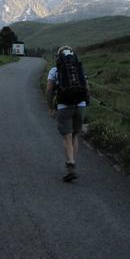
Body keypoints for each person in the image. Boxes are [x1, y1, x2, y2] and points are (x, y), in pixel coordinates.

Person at [46, 46, 88, 182]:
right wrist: (85, 104)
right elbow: (86, 87)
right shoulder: (79, 68)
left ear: (59, 57)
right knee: (75, 135)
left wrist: (51, 107)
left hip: (64, 106)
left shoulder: (54, 70)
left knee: (67, 137)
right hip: (80, 105)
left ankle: (70, 164)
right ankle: (72, 162)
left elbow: (49, 91)